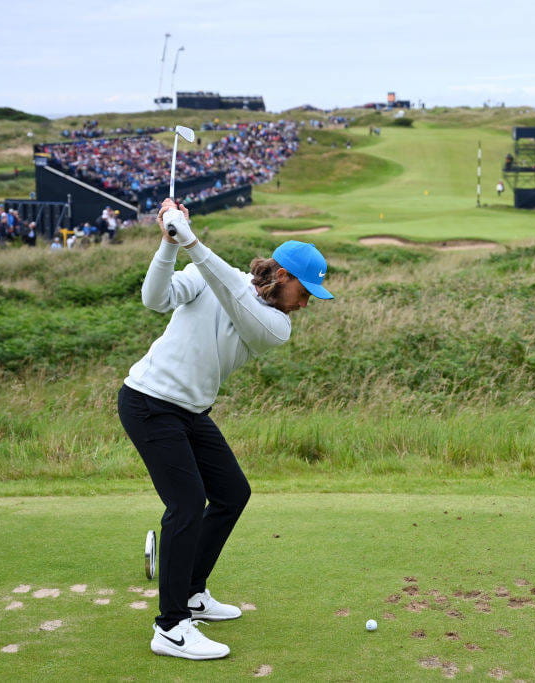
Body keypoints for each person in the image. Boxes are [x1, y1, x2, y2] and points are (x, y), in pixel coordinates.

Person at [117, 198, 333, 660]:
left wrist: (192, 241)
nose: (307, 302)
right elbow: (154, 299)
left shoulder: (275, 326)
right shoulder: (212, 273)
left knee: (232, 492)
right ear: (282, 276)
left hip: (190, 411)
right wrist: (169, 245)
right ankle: (171, 626)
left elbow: (235, 301)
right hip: (148, 402)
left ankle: (193, 592)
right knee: (187, 502)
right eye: (307, 290)